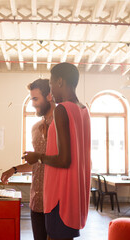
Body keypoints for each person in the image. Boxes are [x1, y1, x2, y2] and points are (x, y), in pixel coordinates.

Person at [23, 62, 91, 240]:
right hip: (74, 195)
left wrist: (37, 156)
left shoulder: (62, 109)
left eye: (51, 83)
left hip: (59, 196)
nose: (51, 90)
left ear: (60, 81)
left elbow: (64, 159)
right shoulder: (83, 109)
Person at [1, 78, 55, 240]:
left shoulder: (62, 125)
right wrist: (14, 169)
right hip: (36, 201)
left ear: (49, 96)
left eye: (35, 98)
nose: (32, 103)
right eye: (31, 99)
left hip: (55, 203)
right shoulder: (35, 128)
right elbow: (37, 163)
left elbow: (64, 160)